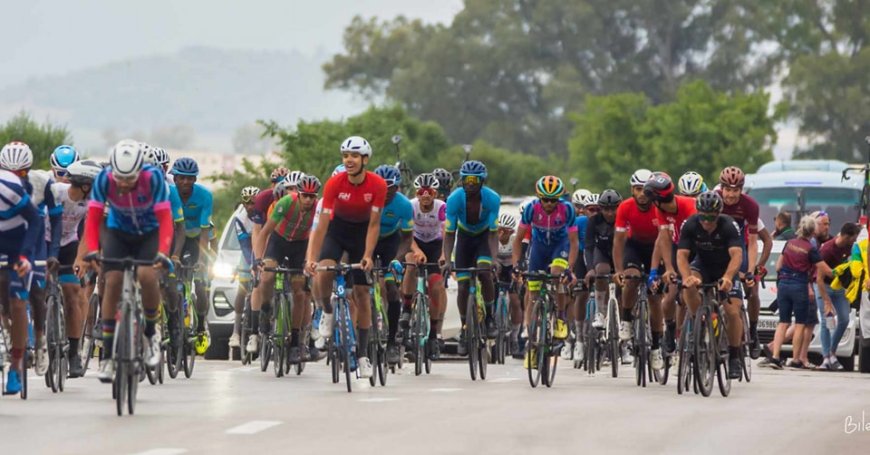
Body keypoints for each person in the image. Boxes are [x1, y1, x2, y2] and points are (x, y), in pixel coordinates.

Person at [82, 139, 174, 382]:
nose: (123, 184)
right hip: (118, 232)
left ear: (139, 171)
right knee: (111, 280)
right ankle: (109, 357)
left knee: (146, 275)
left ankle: (151, 334)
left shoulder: (153, 179)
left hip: (149, 233)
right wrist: (92, 250)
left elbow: (166, 220)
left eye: (129, 179)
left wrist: (163, 252)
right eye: (119, 178)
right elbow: (92, 218)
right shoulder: (104, 179)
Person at [306, 136, 387, 379]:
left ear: (365, 159)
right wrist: (312, 257)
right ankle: (328, 311)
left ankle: (362, 356)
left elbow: (374, 225)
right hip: (337, 231)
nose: (348, 160)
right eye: (345, 156)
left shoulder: (377, 185)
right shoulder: (334, 184)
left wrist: (368, 256)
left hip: (362, 234)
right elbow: (321, 227)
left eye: (353, 156)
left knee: (362, 295)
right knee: (324, 270)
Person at [676, 191, 747, 379]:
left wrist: (729, 277)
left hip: (725, 267)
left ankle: (734, 356)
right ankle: (698, 321)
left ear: (718, 214)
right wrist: (686, 277)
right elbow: (682, 255)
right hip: (703, 265)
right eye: (703, 216)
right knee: (689, 287)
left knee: (732, 312)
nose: (706, 221)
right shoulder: (690, 224)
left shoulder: (728, 225)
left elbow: (737, 255)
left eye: (711, 217)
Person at [513, 176, 579, 368]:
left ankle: (559, 317)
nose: (549, 204)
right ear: (539, 197)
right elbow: (518, 240)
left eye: (553, 200)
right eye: (545, 199)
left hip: (560, 246)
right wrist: (517, 264)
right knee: (533, 293)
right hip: (539, 249)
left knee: (557, 274)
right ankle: (532, 344)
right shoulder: (531, 209)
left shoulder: (567, 209)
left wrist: (570, 268)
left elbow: (574, 242)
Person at [254, 175, 321, 364]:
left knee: (299, 292)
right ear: (298, 194)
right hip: (279, 241)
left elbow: (319, 237)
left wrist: (312, 260)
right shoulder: (286, 203)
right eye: (304, 196)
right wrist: (258, 259)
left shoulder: (318, 209)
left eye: (312, 196)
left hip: (300, 246)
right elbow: (265, 232)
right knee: (267, 277)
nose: (308, 200)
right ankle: (266, 309)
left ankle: (294, 343)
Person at [441, 160, 501, 356]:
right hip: (464, 239)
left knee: (485, 273)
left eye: (474, 179)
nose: (470, 183)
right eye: (466, 179)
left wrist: (494, 259)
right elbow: (449, 233)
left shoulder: (492, 199)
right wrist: (448, 260)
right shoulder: (454, 199)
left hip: (484, 238)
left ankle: (490, 317)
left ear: (482, 181)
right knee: (463, 285)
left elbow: (493, 234)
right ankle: (465, 327)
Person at [51, 159, 103, 378]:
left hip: (69, 245)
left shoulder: (92, 203)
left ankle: (73, 353)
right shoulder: (54, 193)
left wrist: (80, 260)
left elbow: (87, 236)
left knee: (72, 293)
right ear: (85, 185)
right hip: (45, 241)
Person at [0, 142, 43, 394]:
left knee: (17, 302)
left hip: (19, 241)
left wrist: (26, 257)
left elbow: (35, 220)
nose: (18, 176)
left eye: (23, 172)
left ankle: (16, 365)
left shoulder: (14, 189)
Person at [766, 216, 830, 370]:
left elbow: (778, 266)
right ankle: (796, 359)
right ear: (813, 231)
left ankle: (775, 357)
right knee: (800, 323)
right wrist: (839, 274)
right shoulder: (811, 249)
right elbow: (824, 269)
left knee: (783, 322)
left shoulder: (789, 243)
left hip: (783, 284)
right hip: (799, 285)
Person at [612, 169, 660, 366]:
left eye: (645, 190)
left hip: (656, 247)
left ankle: (657, 346)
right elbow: (619, 242)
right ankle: (626, 319)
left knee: (655, 297)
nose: (642, 194)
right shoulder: (625, 207)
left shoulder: (659, 207)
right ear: (632, 190)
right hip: (634, 247)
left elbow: (665, 240)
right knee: (631, 279)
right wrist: (618, 271)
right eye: (638, 189)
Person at [646, 172, 696, 360]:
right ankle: (671, 328)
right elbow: (664, 239)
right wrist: (668, 268)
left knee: (687, 294)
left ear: (657, 200)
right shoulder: (661, 210)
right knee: (669, 298)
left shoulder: (689, 206)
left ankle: (697, 329)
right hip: (677, 248)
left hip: (695, 248)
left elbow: (695, 240)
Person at [369, 165, 414, 364]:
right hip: (368, 240)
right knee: (363, 288)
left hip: (390, 243)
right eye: (382, 187)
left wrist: (397, 258)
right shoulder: (368, 199)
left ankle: (392, 342)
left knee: (391, 288)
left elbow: (406, 238)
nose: (386, 193)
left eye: (391, 189)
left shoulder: (404, 205)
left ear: (397, 188)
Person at [401, 173, 449, 359]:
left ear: (435, 193)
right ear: (417, 193)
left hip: (436, 245)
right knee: (411, 263)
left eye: (429, 191)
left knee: (436, 285)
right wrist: (417, 250)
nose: (426, 195)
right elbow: (407, 235)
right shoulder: (410, 206)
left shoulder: (442, 207)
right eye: (422, 191)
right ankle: (406, 308)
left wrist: (445, 255)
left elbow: (447, 233)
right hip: (415, 242)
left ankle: (433, 335)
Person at [171, 157, 214, 355]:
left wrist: (202, 262)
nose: (186, 182)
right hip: (175, 236)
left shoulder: (205, 196)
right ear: (175, 178)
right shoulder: (169, 193)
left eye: (190, 178)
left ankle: (200, 327)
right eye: (182, 178)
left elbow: (205, 231)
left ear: (195, 180)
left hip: (197, 238)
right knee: (170, 282)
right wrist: (174, 256)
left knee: (199, 284)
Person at [814, 222, 860, 370]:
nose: (855, 240)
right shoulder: (827, 250)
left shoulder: (850, 247)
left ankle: (832, 352)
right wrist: (827, 301)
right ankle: (826, 357)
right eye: (854, 237)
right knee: (827, 320)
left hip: (839, 287)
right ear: (846, 236)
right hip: (824, 286)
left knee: (844, 319)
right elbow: (819, 279)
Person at [227, 186, 259, 351]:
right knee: (242, 288)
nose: (250, 205)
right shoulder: (240, 218)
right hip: (247, 254)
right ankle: (236, 332)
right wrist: (252, 264)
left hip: (262, 252)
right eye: (247, 202)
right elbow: (245, 245)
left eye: (254, 202)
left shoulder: (265, 214)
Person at [584, 189, 621, 330]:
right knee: (601, 271)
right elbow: (588, 246)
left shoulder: (623, 218)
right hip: (603, 252)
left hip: (621, 252)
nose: (610, 213)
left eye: (613, 209)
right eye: (606, 209)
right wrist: (590, 270)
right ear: (600, 208)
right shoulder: (594, 221)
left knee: (624, 283)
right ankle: (600, 311)